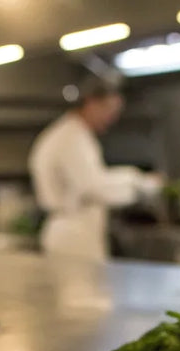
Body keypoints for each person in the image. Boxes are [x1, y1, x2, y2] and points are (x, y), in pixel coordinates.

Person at [28, 78, 152, 261]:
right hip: (74, 235)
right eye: (109, 111)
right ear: (91, 103)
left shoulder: (74, 134)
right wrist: (138, 182)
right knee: (81, 290)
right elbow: (93, 187)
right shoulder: (71, 138)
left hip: (77, 232)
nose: (112, 119)